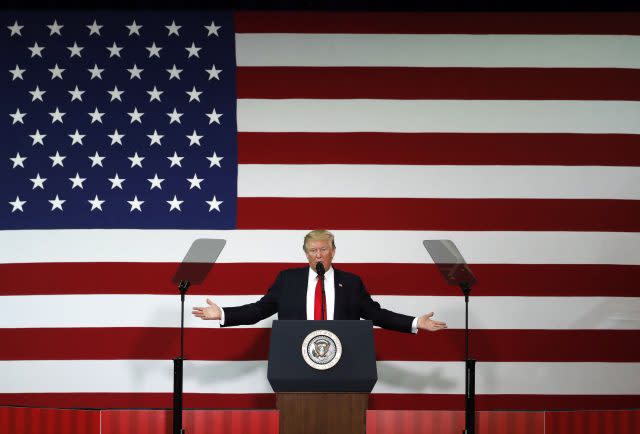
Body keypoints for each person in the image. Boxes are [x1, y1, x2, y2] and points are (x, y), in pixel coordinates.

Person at [192, 230, 447, 333]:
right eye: (313, 251)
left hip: (343, 359)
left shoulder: (352, 282)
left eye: (323, 249)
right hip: (295, 359)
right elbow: (259, 310)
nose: (318, 255)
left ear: (333, 251)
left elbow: (376, 315)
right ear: (305, 254)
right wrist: (223, 313)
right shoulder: (288, 280)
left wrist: (415, 322)